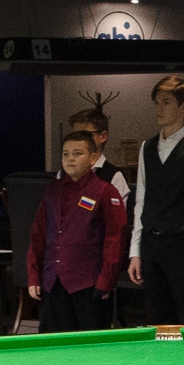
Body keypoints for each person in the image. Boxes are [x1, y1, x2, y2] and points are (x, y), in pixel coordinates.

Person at [124, 74, 184, 326]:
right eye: (157, 103)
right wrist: (135, 252)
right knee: (157, 322)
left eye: (166, 102)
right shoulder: (147, 147)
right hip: (152, 245)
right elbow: (141, 202)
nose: (159, 108)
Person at [26, 128, 127, 333]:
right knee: (53, 345)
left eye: (77, 153)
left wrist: (106, 281)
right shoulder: (53, 190)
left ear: (93, 158)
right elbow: (38, 236)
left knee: (91, 346)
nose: (70, 158)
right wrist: (34, 276)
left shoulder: (105, 191)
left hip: (89, 285)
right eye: (66, 154)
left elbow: (115, 240)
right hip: (53, 282)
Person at [65, 108, 128, 201]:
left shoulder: (114, 176)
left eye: (86, 135)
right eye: (75, 135)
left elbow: (117, 210)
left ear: (103, 136)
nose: (79, 141)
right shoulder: (64, 172)